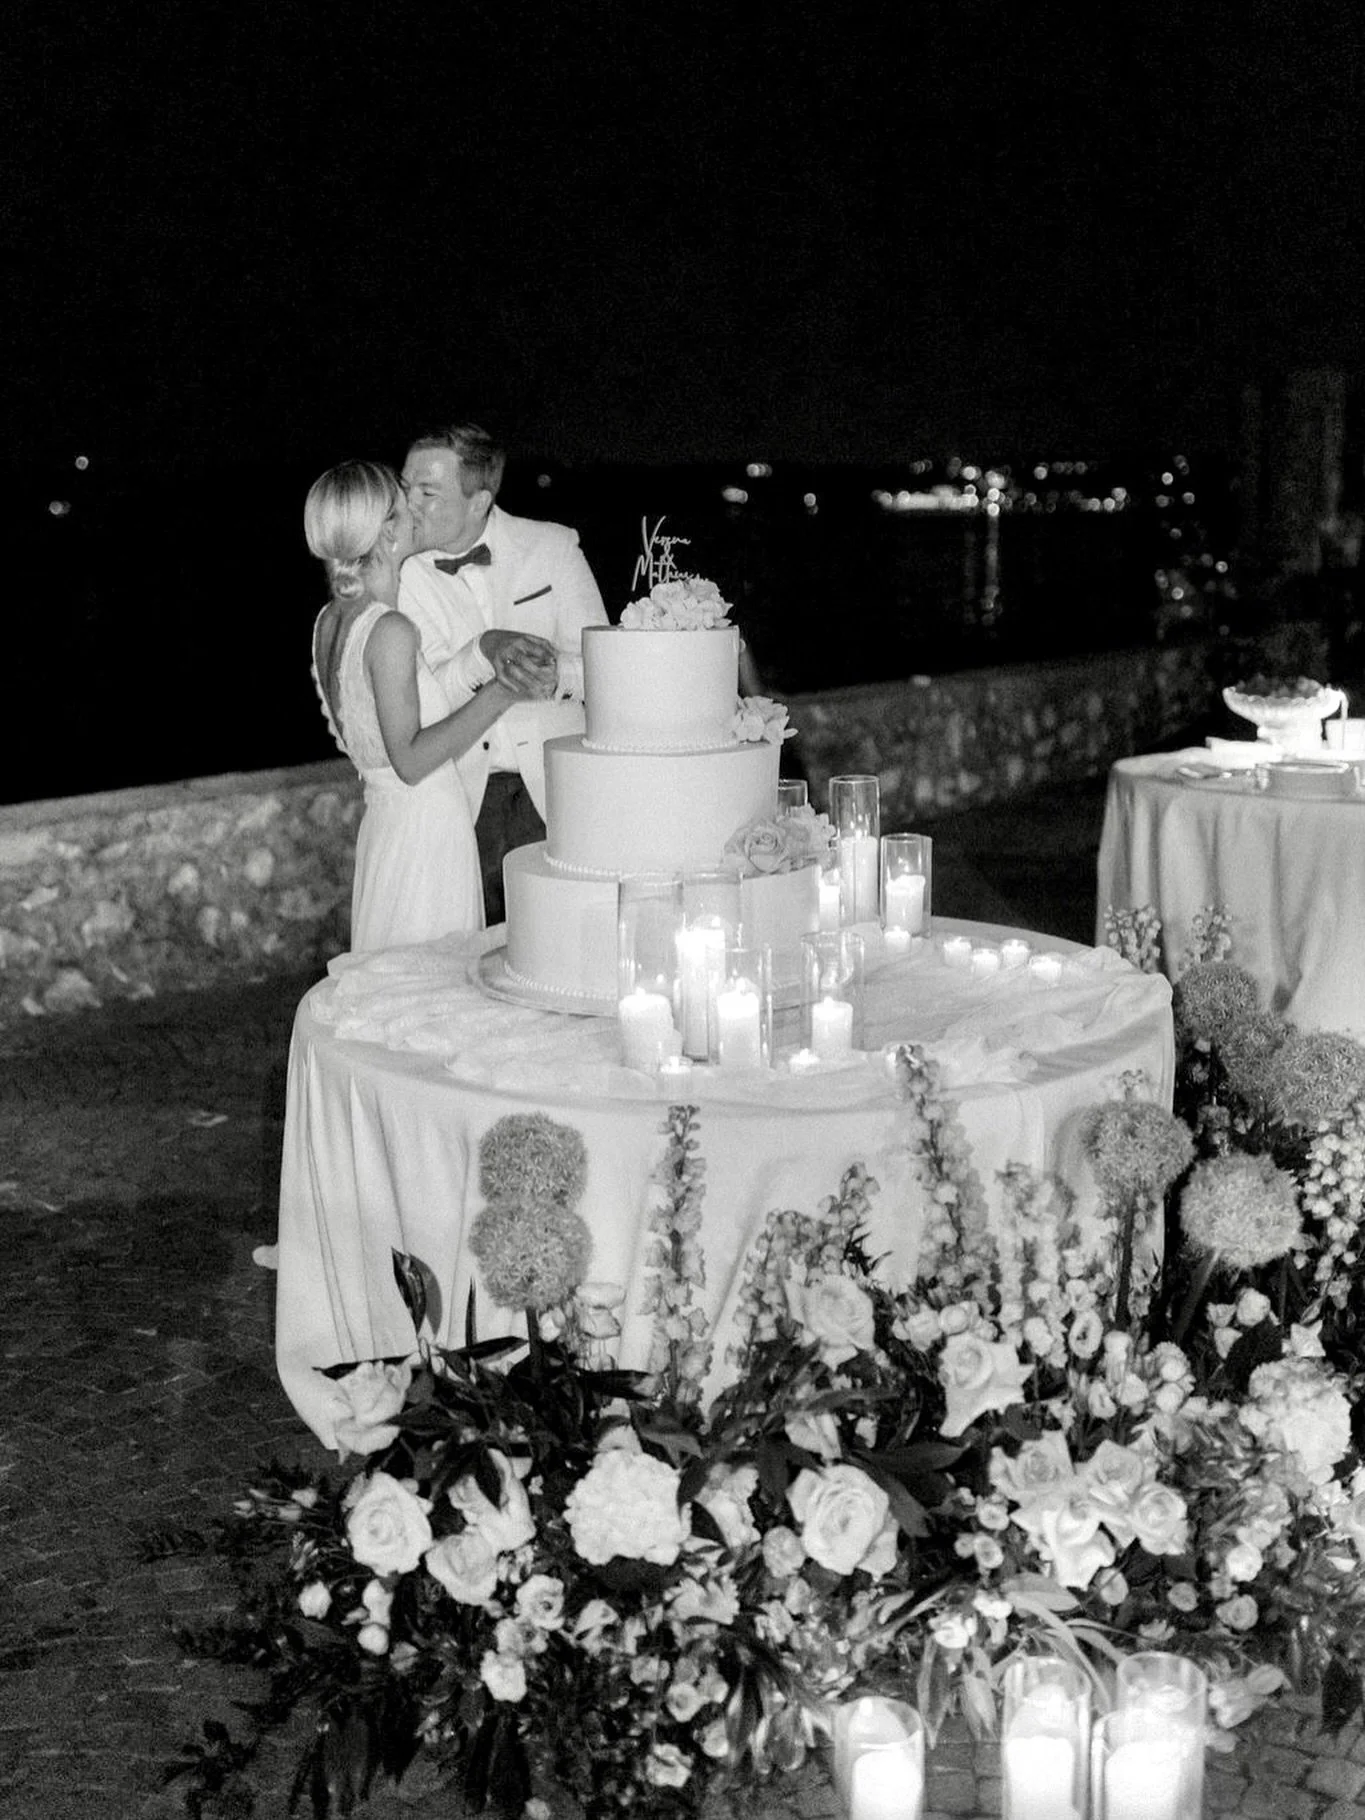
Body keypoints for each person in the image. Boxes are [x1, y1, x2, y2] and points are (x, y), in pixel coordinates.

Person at [305, 460, 548, 951]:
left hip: (392, 831)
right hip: (423, 838)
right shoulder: (389, 630)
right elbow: (412, 761)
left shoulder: (330, 619)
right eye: (403, 504)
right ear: (385, 532)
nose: (416, 509)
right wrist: (503, 691)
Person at [398, 422, 608, 922]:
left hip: (558, 789)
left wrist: (551, 674)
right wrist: (484, 651)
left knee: (567, 934)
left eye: (426, 492)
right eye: (405, 488)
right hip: (461, 798)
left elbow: (605, 665)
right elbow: (430, 693)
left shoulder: (553, 546)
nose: (407, 506)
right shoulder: (403, 573)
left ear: (480, 501)